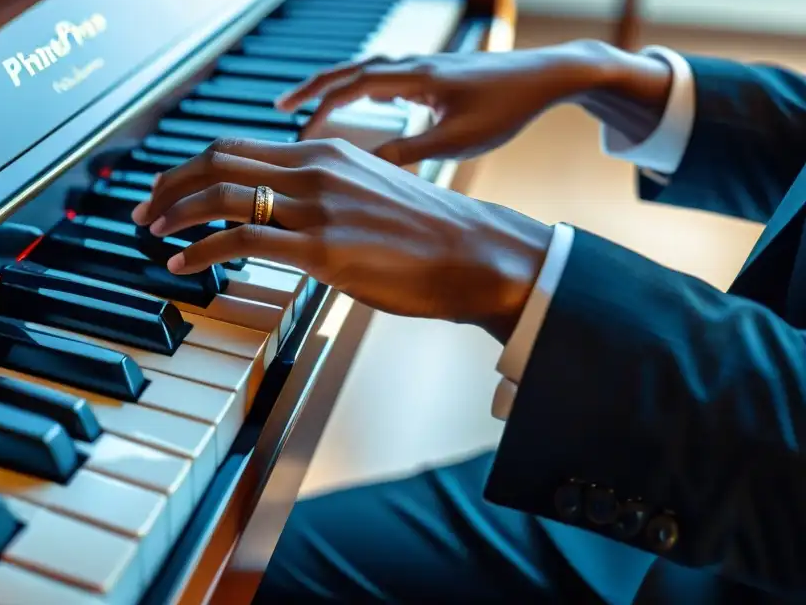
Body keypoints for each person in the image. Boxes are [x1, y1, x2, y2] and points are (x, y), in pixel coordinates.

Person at [130, 40, 806, 603]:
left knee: (209, 576)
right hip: (692, 462)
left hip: (751, 518)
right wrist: (607, 75)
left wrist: (518, 266)